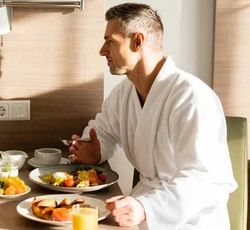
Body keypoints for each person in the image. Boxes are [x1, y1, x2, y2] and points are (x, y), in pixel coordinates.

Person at [69, 3, 237, 229]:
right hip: (142, 209)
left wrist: (145, 208)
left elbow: (200, 178)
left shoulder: (191, 97)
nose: (102, 51)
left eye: (110, 41)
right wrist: (96, 150)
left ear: (137, 41)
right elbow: (104, 130)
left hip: (193, 219)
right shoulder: (124, 93)